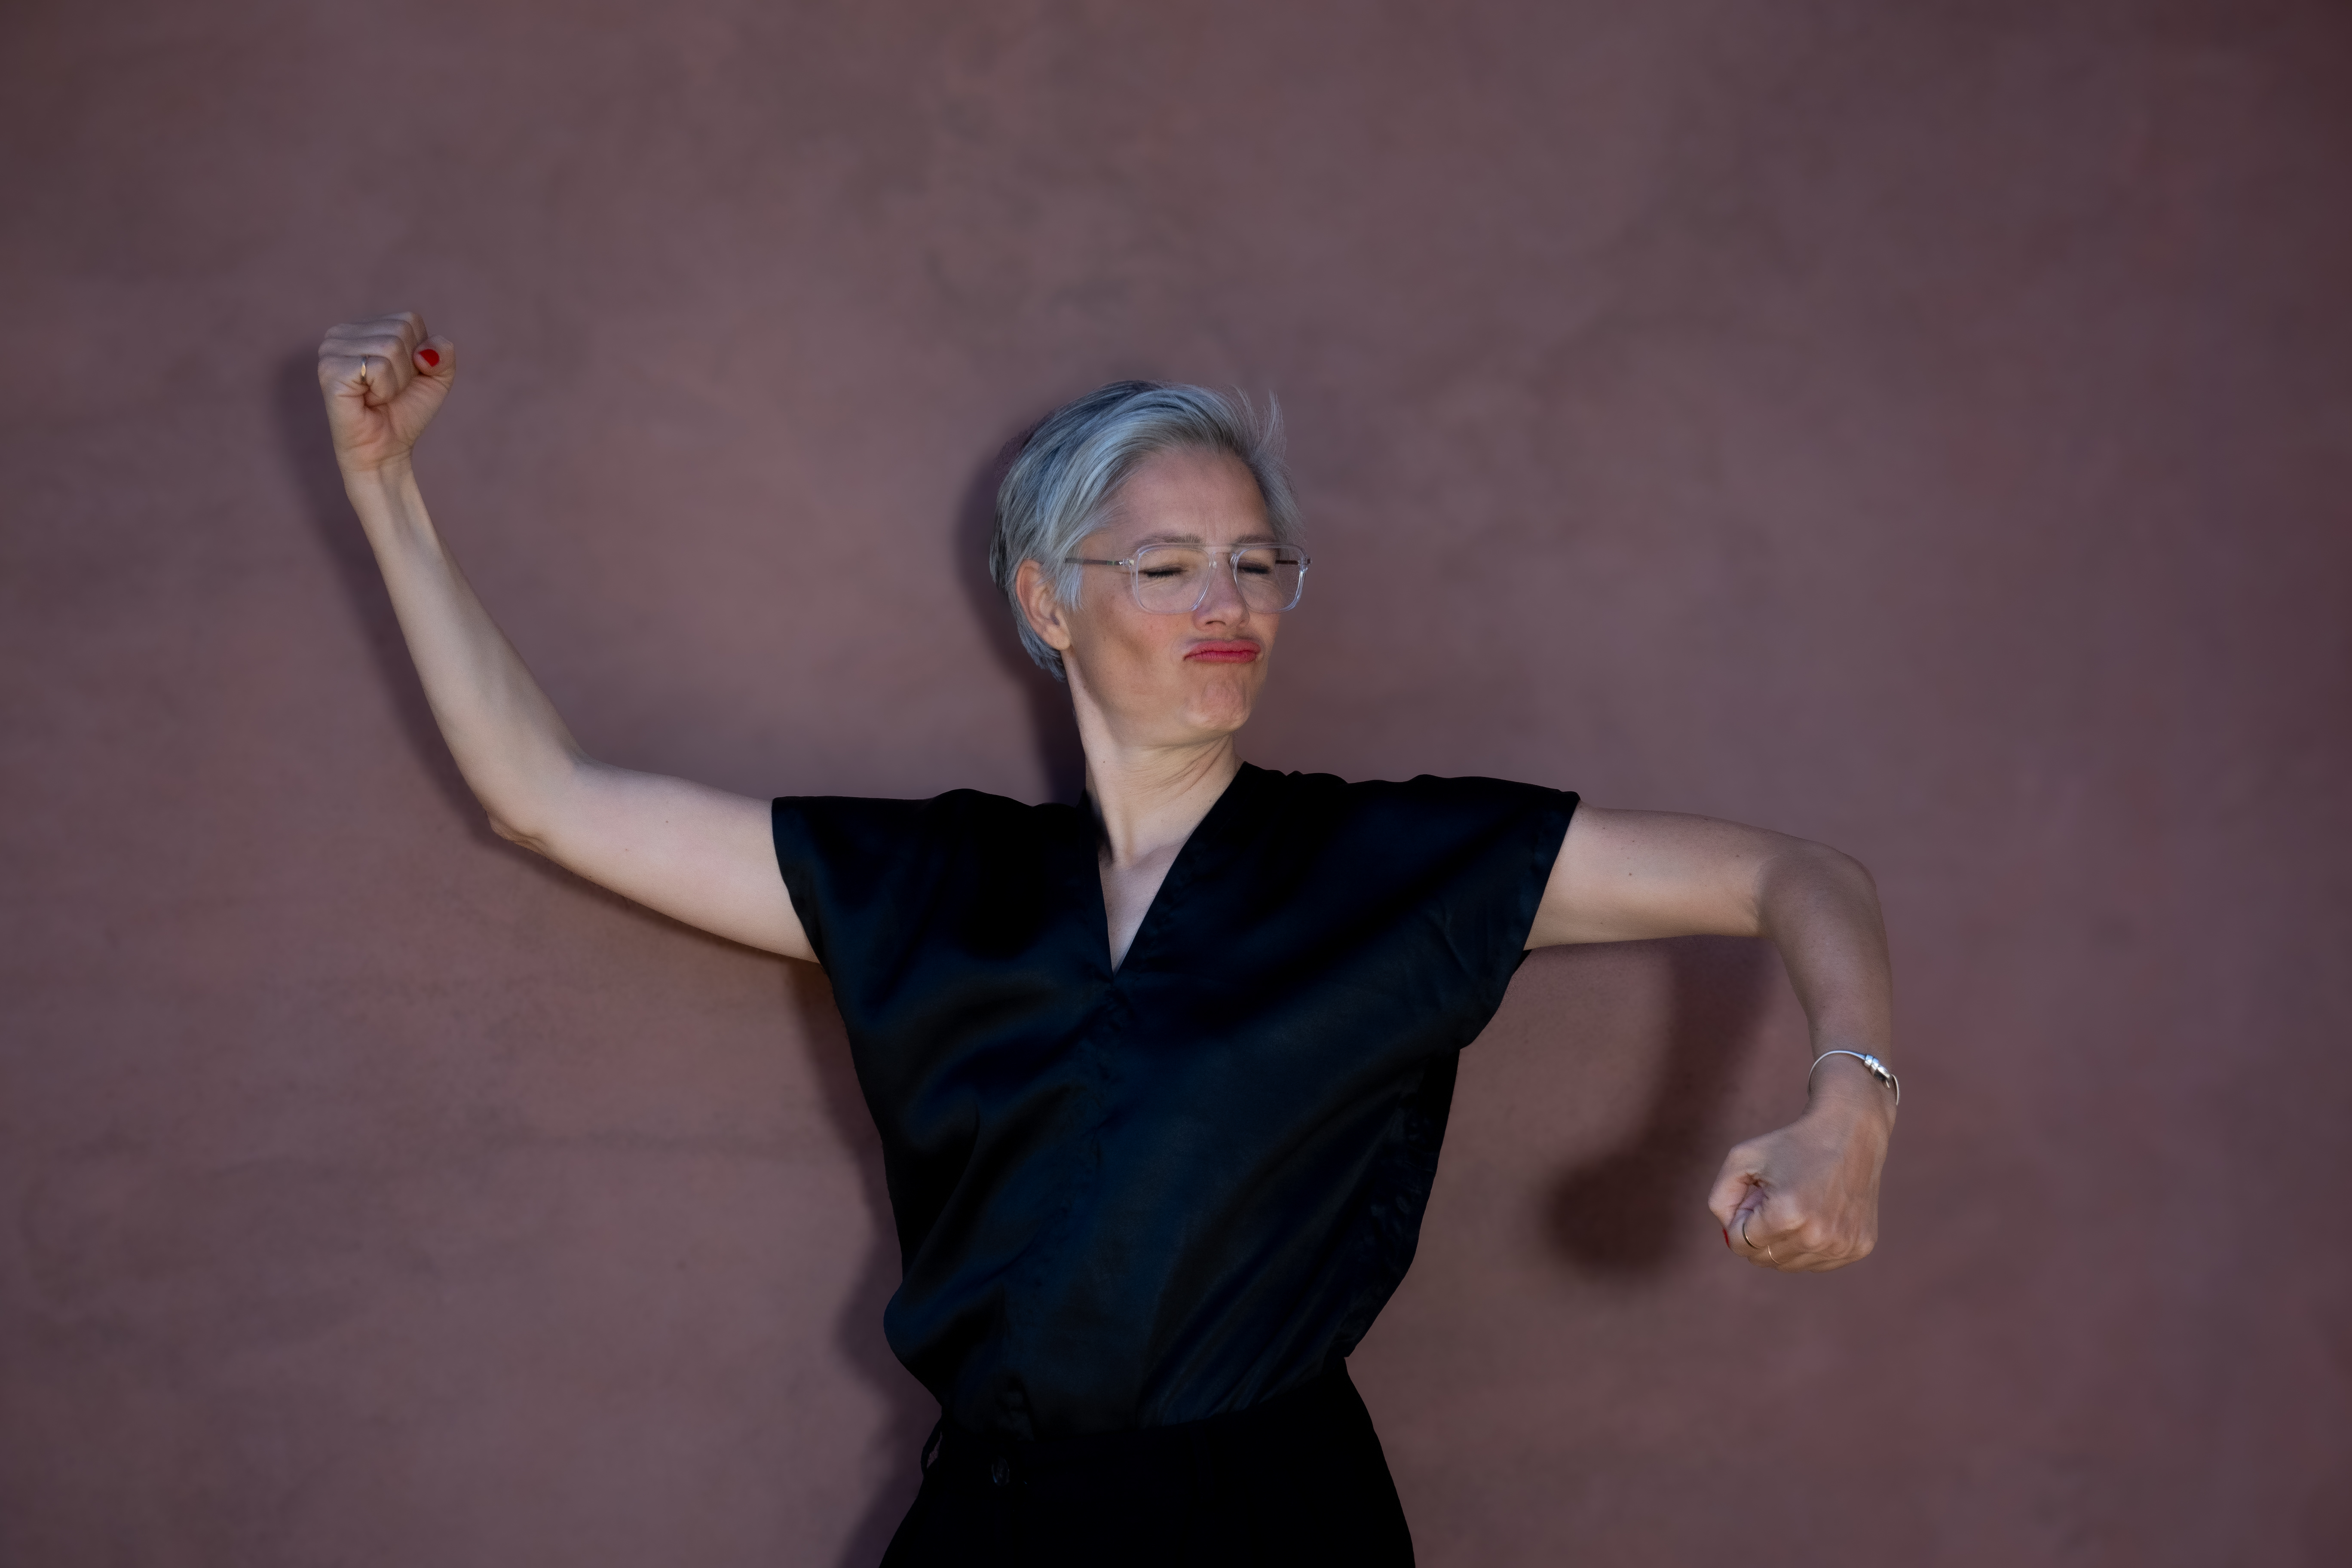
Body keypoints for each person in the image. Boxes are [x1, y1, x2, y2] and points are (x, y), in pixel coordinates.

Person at [317, 311, 1899, 1566]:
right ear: (1045, 601)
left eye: (1257, 563)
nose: (1229, 602)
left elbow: (1799, 874)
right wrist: (386, 485)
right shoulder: (929, 884)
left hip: (1268, 1524)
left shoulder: (1396, 869)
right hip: (995, 1523)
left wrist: (1852, 1101)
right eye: (1166, 566)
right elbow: (543, 796)